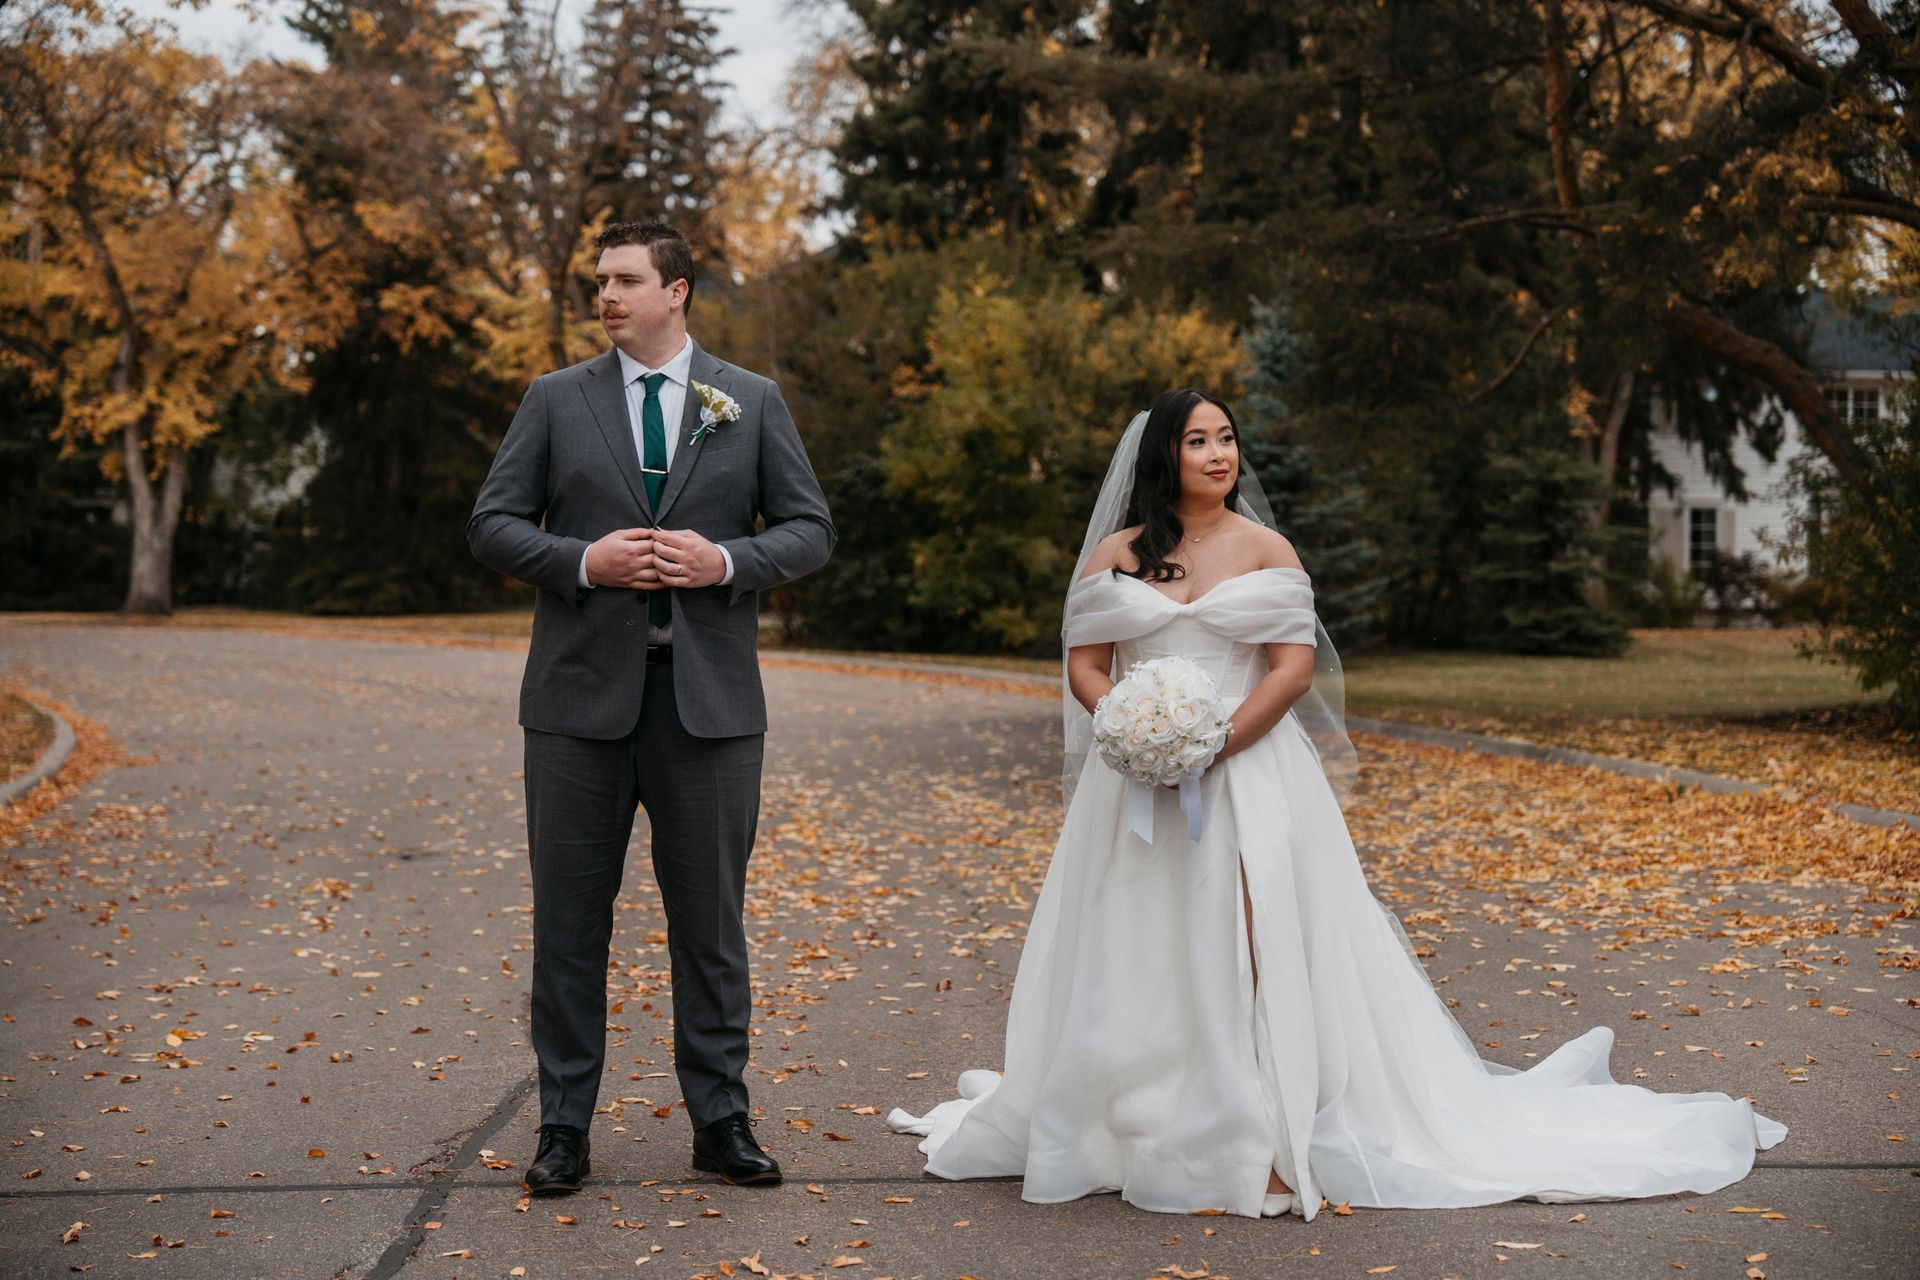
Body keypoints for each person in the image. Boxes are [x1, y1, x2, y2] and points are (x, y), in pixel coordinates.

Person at [887, 389, 1785, 1220]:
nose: (1218, 453)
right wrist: (1132, 731)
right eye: (1198, 441)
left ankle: (1266, 1135)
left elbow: (1291, 669)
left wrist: (1209, 745)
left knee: (1251, 943)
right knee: (1137, 942)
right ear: (1164, 456)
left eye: (1227, 438)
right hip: (1134, 787)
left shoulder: (1266, 550)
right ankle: (1129, 1120)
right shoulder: (1116, 556)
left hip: (1249, 775)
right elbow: (1086, 667)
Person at [469, 218, 834, 1195]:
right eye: (600, 281)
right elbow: (493, 522)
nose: (607, 296)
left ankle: (721, 1119)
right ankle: (562, 1127)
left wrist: (727, 561)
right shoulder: (554, 399)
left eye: (626, 279)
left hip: (709, 711)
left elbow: (809, 528)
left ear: (678, 291)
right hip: (576, 709)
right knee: (570, 925)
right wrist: (583, 559)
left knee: (710, 927)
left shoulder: (748, 401)